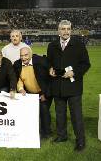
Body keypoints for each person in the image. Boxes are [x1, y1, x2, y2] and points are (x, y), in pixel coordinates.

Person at [47, 20, 90, 152]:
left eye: (68, 29)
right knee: (60, 113)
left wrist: (74, 72)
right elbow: (49, 62)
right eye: (63, 29)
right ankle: (62, 136)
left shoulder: (79, 44)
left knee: (76, 115)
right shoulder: (52, 45)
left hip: (73, 87)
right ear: (58, 30)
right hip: (58, 85)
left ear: (71, 30)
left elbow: (86, 64)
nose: (66, 31)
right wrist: (50, 68)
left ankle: (80, 141)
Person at [13, 47, 52, 139]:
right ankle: (33, 132)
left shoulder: (41, 62)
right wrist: (21, 89)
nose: (23, 58)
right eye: (21, 55)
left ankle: (46, 133)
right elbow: (18, 79)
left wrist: (44, 93)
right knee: (31, 113)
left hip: (43, 92)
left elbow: (48, 79)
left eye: (26, 55)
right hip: (29, 94)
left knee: (44, 111)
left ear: (31, 54)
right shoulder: (17, 64)